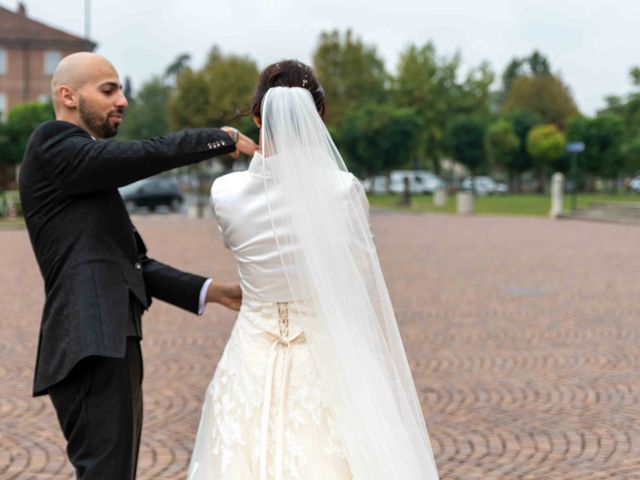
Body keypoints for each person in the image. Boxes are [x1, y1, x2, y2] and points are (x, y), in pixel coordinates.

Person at [188, 60, 439, 479]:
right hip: (329, 351)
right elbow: (356, 273)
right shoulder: (343, 191)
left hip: (252, 350)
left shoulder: (226, 193)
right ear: (318, 115)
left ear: (256, 116)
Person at [18, 52, 257, 480]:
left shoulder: (84, 170)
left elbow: (132, 263)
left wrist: (212, 291)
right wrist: (218, 137)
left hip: (110, 336)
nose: (123, 100)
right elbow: (141, 156)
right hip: (88, 339)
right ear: (68, 96)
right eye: (108, 90)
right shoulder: (51, 144)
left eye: (121, 89)